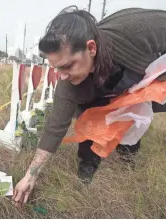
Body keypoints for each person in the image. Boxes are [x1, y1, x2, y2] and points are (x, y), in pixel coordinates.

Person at [12, 6, 166, 207]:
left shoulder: (139, 29)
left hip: (133, 81)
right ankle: (86, 170)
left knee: (130, 125)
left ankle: (128, 160)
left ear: (91, 48)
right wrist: (30, 176)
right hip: (97, 92)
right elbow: (55, 127)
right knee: (89, 128)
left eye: (68, 66)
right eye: (57, 68)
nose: (63, 76)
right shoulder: (68, 85)